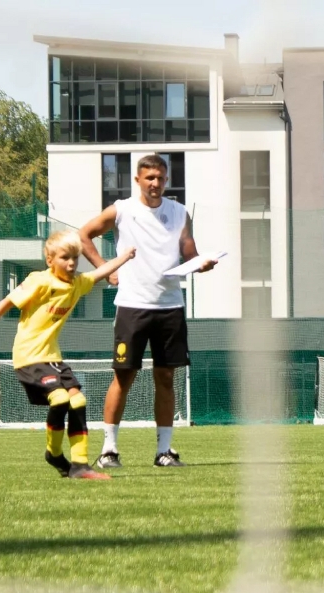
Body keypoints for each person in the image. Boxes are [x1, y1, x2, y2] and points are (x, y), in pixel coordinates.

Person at [78, 154, 215, 469]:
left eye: (160, 178)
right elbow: (83, 235)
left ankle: (164, 451)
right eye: (149, 178)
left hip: (170, 307)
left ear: (166, 180)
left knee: (166, 378)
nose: (155, 184)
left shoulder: (179, 212)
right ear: (138, 180)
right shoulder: (122, 210)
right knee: (123, 377)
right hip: (132, 306)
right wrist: (105, 270)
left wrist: (201, 263)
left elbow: (189, 250)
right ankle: (109, 450)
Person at [0, 231, 135, 480]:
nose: (71, 264)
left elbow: (100, 273)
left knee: (77, 401)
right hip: (29, 358)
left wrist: (125, 256)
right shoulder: (39, 280)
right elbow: (8, 301)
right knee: (59, 398)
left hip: (52, 359)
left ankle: (80, 466)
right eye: (65, 258)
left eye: (75, 259)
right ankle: (54, 454)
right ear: (49, 259)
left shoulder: (77, 284)